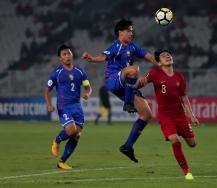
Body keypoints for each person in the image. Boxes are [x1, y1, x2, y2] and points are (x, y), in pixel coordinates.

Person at [82, 19, 159, 163]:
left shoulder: (133, 47)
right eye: (128, 30)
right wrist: (92, 58)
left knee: (147, 114)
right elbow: (104, 56)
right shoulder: (116, 46)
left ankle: (128, 146)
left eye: (132, 30)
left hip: (125, 86)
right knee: (134, 70)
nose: (131, 33)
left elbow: (148, 56)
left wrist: (160, 64)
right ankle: (128, 103)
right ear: (120, 32)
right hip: (113, 80)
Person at [137, 50, 199, 180]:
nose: (167, 56)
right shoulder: (155, 74)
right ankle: (187, 171)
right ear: (159, 63)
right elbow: (143, 81)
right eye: (163, 56)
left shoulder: (179, 77)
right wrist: (136, 83)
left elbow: (183, 97)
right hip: (165, 116)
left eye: (169, 55)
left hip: (180, 115)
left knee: (193, 144)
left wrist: (191, 115)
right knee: (174, 140)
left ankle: (180, 132)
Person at [44, 44, 92, 170]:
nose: (67, 56)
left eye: (69, 53)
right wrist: (49, 105)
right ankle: (56, 140)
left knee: (77, 135)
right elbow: (47, 91)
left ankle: (62, 162)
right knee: (71, 130)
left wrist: (87, 93)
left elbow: (88, 87)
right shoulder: (57, 74)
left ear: (72, 55)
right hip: (64, 106)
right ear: (60, 58)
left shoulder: (80, 71)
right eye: (64, 54)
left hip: (77, 106)